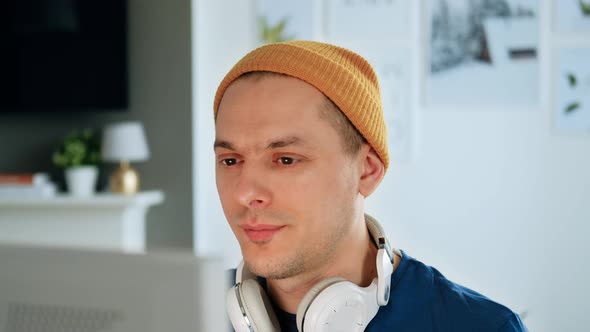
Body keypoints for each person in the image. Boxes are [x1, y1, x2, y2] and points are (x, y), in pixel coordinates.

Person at [213, 40, 527, 331]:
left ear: (368, 170)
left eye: (285, 160)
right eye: (230, 161)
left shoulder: (480, 326)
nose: (245, 193)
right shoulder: (179, 312)